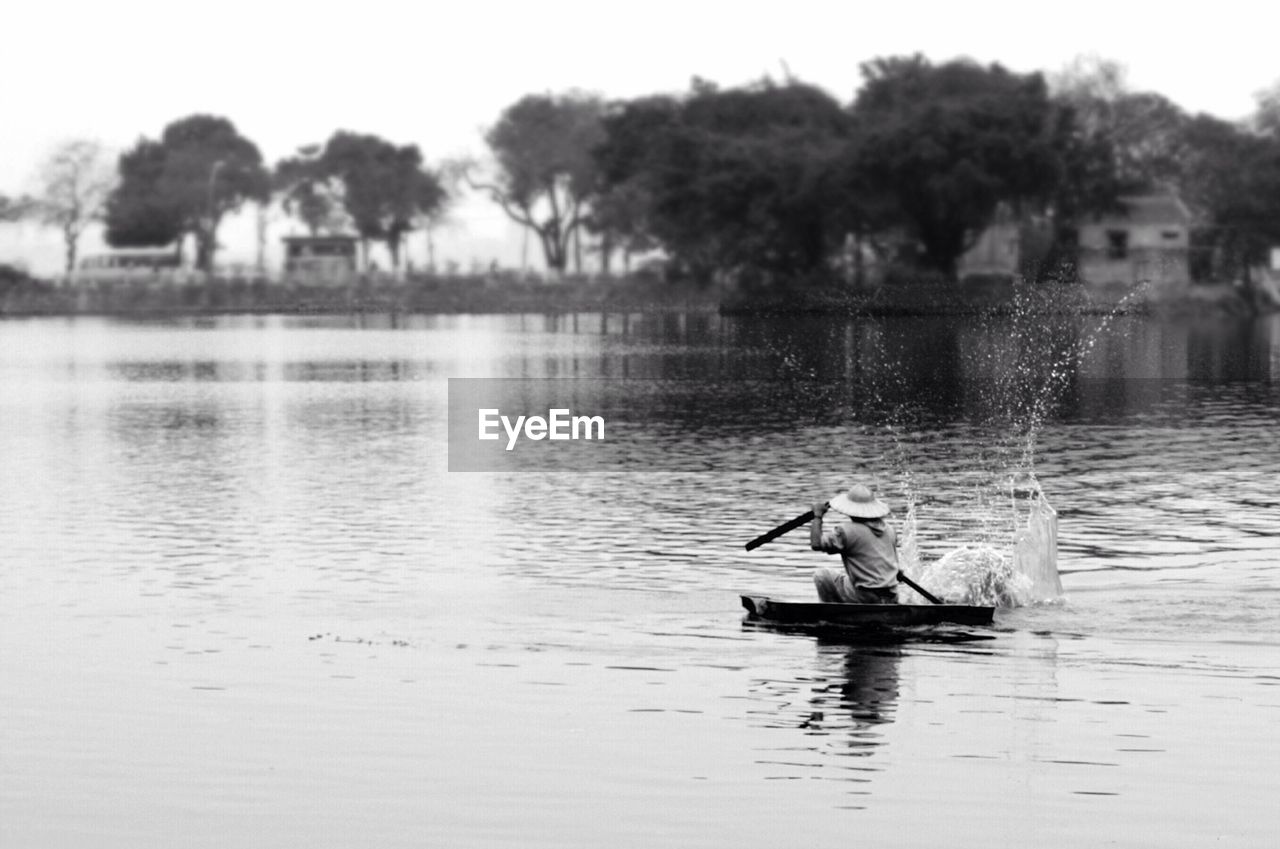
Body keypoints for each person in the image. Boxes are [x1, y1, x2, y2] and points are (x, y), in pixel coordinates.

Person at [810, 484, 900, 604]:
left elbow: (816, 544)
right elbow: (897, 571)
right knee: (847, 579)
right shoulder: (889, 530)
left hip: (865, 596)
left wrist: (817, 516)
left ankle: (833, 611)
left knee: (822, 575)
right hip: (892, 596)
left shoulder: (846, 532)